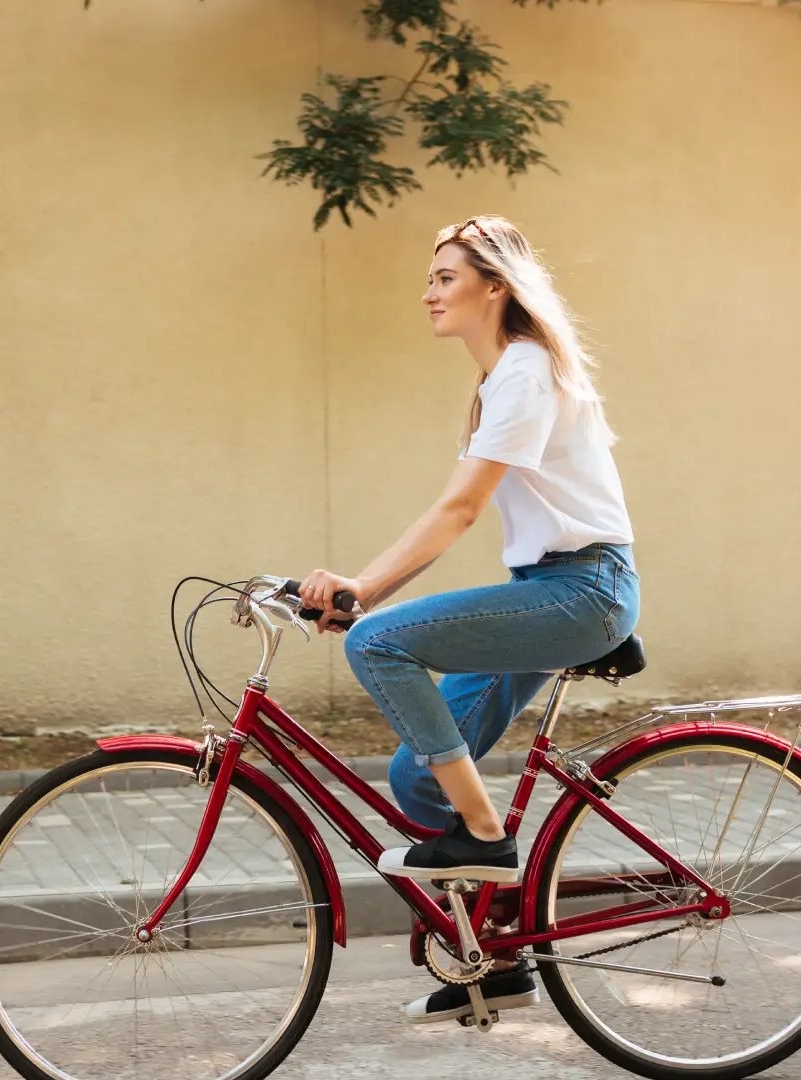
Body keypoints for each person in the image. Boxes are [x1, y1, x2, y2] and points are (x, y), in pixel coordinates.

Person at [296, 215, 640, 1025]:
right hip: (551, 587)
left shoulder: (524, 372)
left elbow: (458, 510)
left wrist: (365, 592)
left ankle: (488, 840)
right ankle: (498, 956)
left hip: (583, 590)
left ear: (495, 287)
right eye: (431, 278)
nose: (428, 293)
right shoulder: (503, 380)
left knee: (381, 642)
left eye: (445, 277)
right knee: (420, 776)